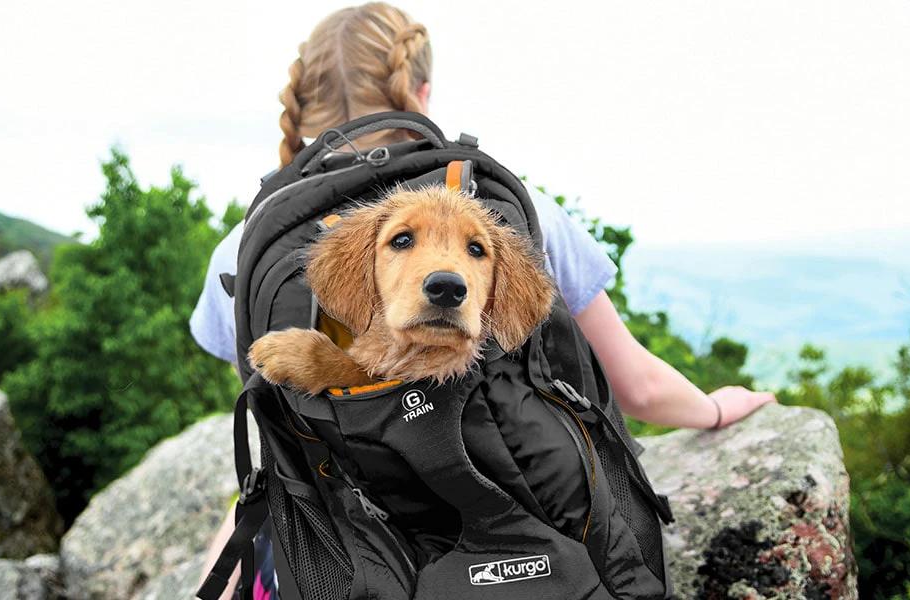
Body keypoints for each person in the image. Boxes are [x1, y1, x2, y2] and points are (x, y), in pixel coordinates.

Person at [190, 3, 776, 598]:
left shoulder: (242, 248)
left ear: (304, 106)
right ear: (421, 90)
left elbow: (276, 437)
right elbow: (638, 388)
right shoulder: (513, 211)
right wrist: (716, 411)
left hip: (352, 558)